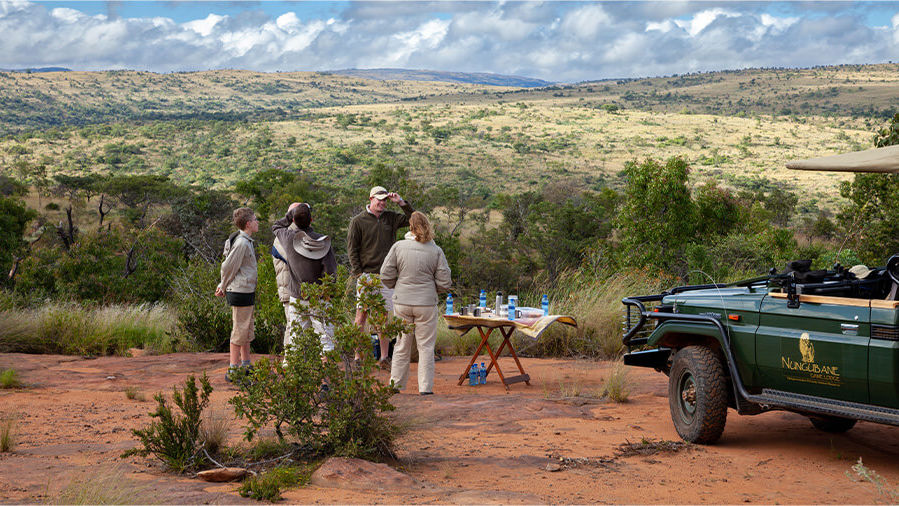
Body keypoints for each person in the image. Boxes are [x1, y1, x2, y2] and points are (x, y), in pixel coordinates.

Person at [380, 211, 452, 395]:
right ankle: (425, 388)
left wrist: (398, 286)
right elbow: (445, 282)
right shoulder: (436, 250)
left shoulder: (398, 246)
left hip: (402, 302)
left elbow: (385, 275)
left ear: (410, 227)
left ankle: (395, 385)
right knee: (426, 347)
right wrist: (430, 290)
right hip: (426, 304)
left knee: (401, 345)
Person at [347, 186, 414, 368]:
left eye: (384, 200)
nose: (382, 203)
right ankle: (358, 357)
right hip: (366, 276)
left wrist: (400, 202)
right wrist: (359, 273)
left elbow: (414, 220)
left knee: (383, 318)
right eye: (379, 199)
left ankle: (384, 358)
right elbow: (352, 249)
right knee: (361, 318)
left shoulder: (391, 218)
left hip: (386, 276)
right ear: (370, 199)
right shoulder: (358, 221)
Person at [272, 203, 337, 360]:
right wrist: (326, 293)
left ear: (293, 219)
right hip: (320, 298)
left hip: (297, 297)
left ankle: (295, 378)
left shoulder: (288, 239)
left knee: (295, 340)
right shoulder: (324, 242)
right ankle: (325, 381)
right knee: (326, 341)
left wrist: (291, 214)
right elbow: (330, 273)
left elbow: (276, 226)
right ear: (311, 220)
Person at [216, 207, 258, 382]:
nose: (257, 222)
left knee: (247, 327)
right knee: (239, 329)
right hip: (239, 291)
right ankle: (233, 370)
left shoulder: (246, 240)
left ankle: (246, 364)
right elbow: (227, 267)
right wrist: (223, 285)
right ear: (248, 224)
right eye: (255, 220)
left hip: (246, 290)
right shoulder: (241, 243)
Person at [272, 202, 302, 343]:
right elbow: (295, 259)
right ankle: (289, 361)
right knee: (293, 326)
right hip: (289, 289)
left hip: (301, 289)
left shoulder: (301, 233)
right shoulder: (281, 237)